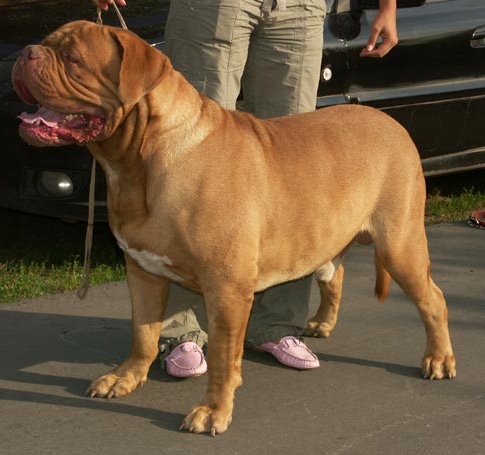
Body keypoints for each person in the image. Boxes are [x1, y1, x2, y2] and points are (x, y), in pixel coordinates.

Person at [92, 0, 398, 378]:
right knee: (186, 151)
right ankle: (184, 331)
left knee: (290, 163)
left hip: (299, 7)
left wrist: (388, 4)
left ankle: (276, 324)